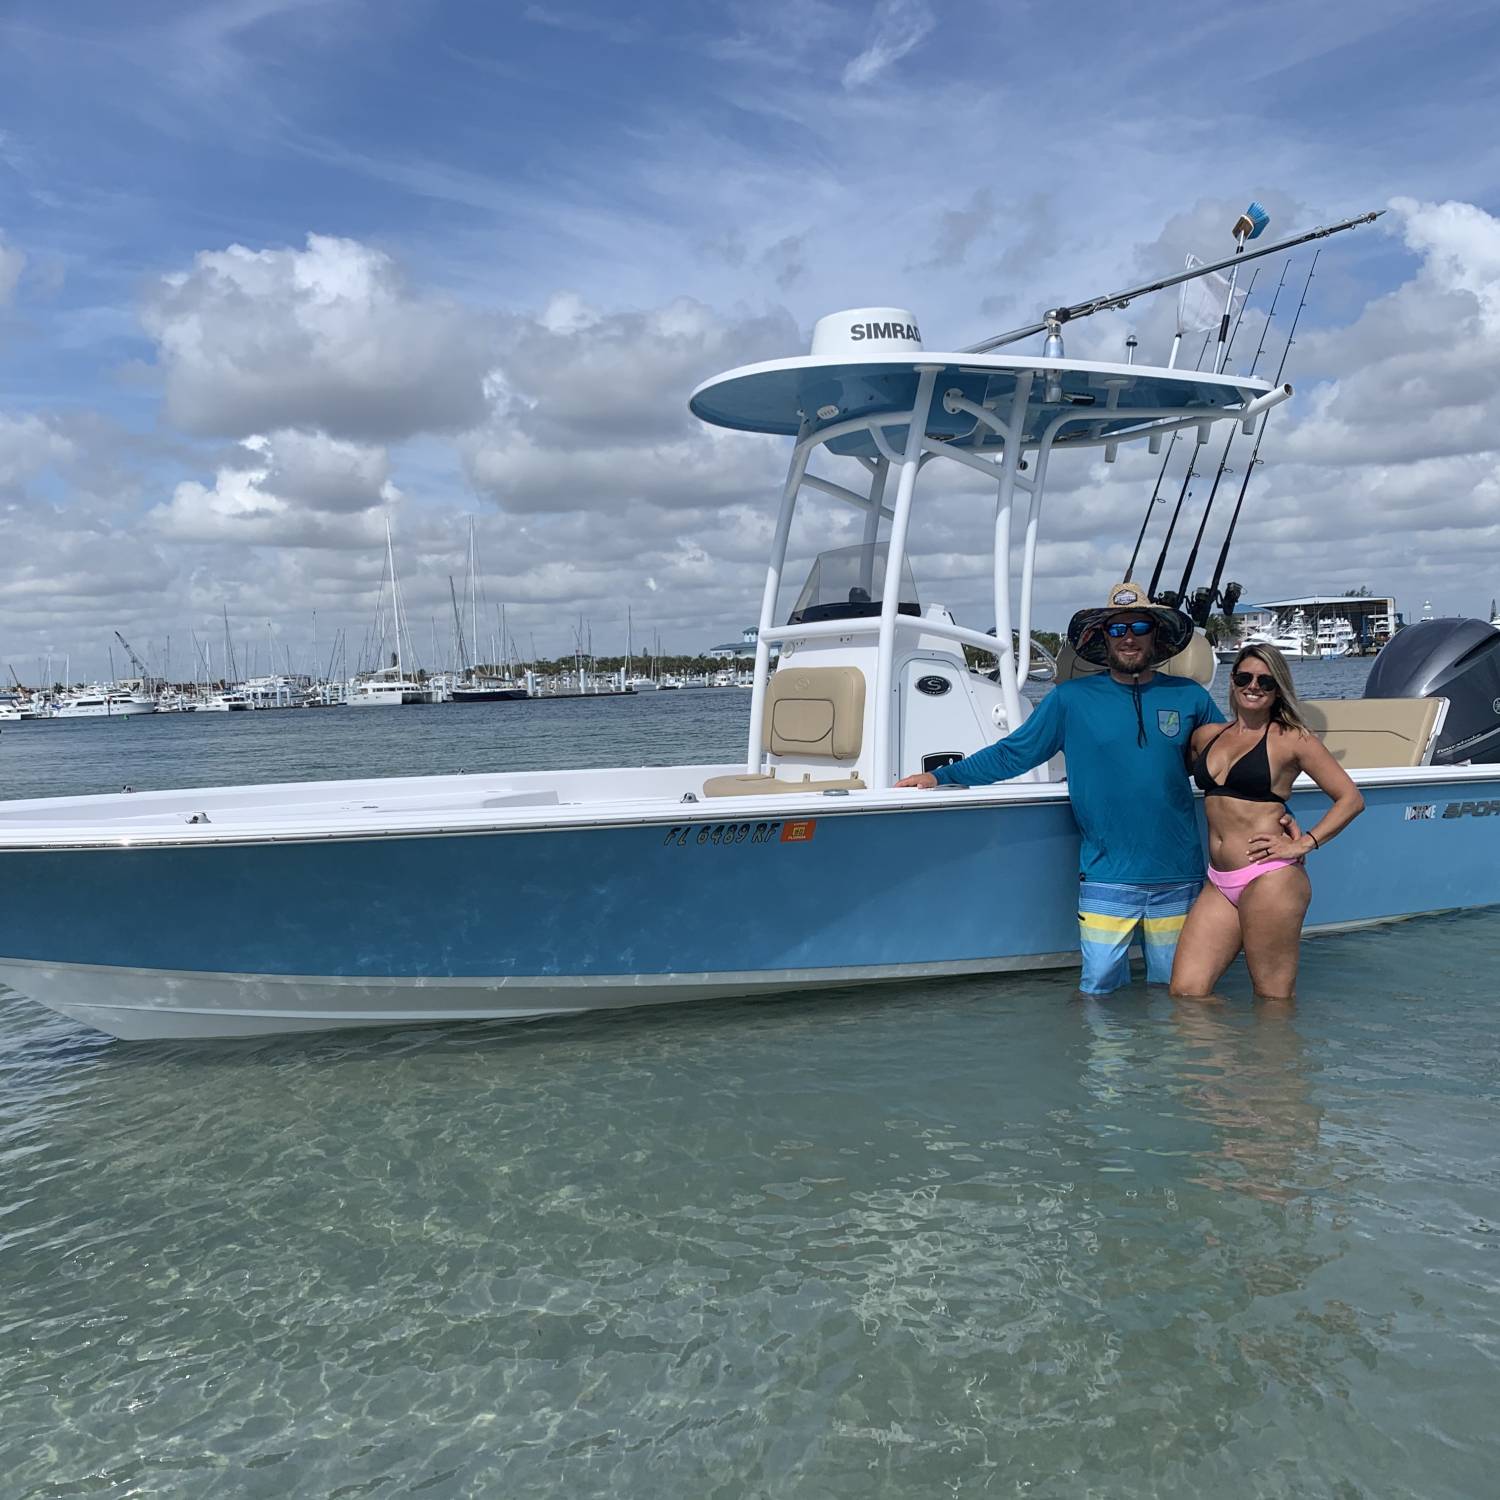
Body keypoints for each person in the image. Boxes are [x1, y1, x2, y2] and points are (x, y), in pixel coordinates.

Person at [895, 581, 1224, 994]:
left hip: (1179, 875)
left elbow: (1230, 760)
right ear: (1104, 638)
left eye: (1139, 626)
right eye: (1117, 629)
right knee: (1098, 991)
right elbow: (1013, 754)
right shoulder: (1070, 699)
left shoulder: (1190, 696)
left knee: (1179, 992)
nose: (1129, 638)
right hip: (1107, 876)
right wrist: (941, 776)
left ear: (1155, 633)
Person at [1170, 643, 1364, 1002]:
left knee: (1273, 998)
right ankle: (1236, 1059)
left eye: (1265, 680)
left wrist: (1304, 842)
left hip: (1270, 878)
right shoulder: (1206, 736)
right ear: (1232, 681)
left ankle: (1278, 1059)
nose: (1253, 686)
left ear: (1278, 688)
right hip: (1219, 881)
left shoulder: (1293, 739)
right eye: (1245, 677)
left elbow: (1351, 799)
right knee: (1186, 994)